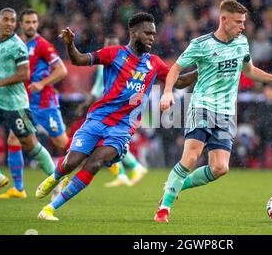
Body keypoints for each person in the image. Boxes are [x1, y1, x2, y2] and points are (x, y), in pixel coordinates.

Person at [35, 12, 197, 221]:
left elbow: (180, 82)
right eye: (147, 33)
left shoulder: (155, 64)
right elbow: (79, 59)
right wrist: (70, 45)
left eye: (154, 34)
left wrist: (201, 70)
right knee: (71, 162)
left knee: (93, 164)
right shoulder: (114, 54)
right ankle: (56, 176)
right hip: (98, 119)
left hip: (122, 128)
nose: (151, 38)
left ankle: (50, 209)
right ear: (133, 32)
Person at [155, 0, 272, 223]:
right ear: (223, 19)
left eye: (244, 22)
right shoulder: (201, 44)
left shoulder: (242, 43)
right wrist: (168, 92)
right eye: (238, 22)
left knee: (220, 167)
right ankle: (163, 210)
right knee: (190, 158)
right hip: (202, 106)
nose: (242, 26)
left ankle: (174, 186)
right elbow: (175, 69)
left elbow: (249, 70)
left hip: (227, 113)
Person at [0, 8, 57, 197]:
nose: (10, 23)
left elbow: (24, 74)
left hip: (17, 105)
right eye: (6, 19)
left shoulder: (18, 46)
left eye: (13, 20)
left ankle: (56, 179)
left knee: (31, 145)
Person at [0, 8, 69, 199]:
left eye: (34, 22)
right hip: (24, 104)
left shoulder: (44, 46)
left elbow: (62, 70)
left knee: (61, 141)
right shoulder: (16, 44)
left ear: (38, 24)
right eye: (28, 22)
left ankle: (82, 167)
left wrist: (42, 83)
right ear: (21, 24)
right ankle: (19, 189)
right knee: (14, 139)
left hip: (46, 104)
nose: (31, 26)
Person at [76, 36, 148, 188]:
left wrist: (86, 104)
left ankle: (134, 167)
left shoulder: (111, 64)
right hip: (115, 112)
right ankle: (124, 173)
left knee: (111, 144)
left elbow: (97, 90)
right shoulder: (124, 64)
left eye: (111, 46)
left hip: (112, 113)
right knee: (111, 144)